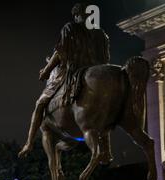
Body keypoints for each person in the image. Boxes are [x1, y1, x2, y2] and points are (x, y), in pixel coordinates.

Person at [18, 3, 111, 163]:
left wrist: (46, 70)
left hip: (73, 72)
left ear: (76, 15)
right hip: (98, 72)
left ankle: (29, 143)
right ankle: (106, 147)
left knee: (39, 104)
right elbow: (106, 58)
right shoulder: (100, 34)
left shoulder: (70, 28)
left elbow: (60, 51)